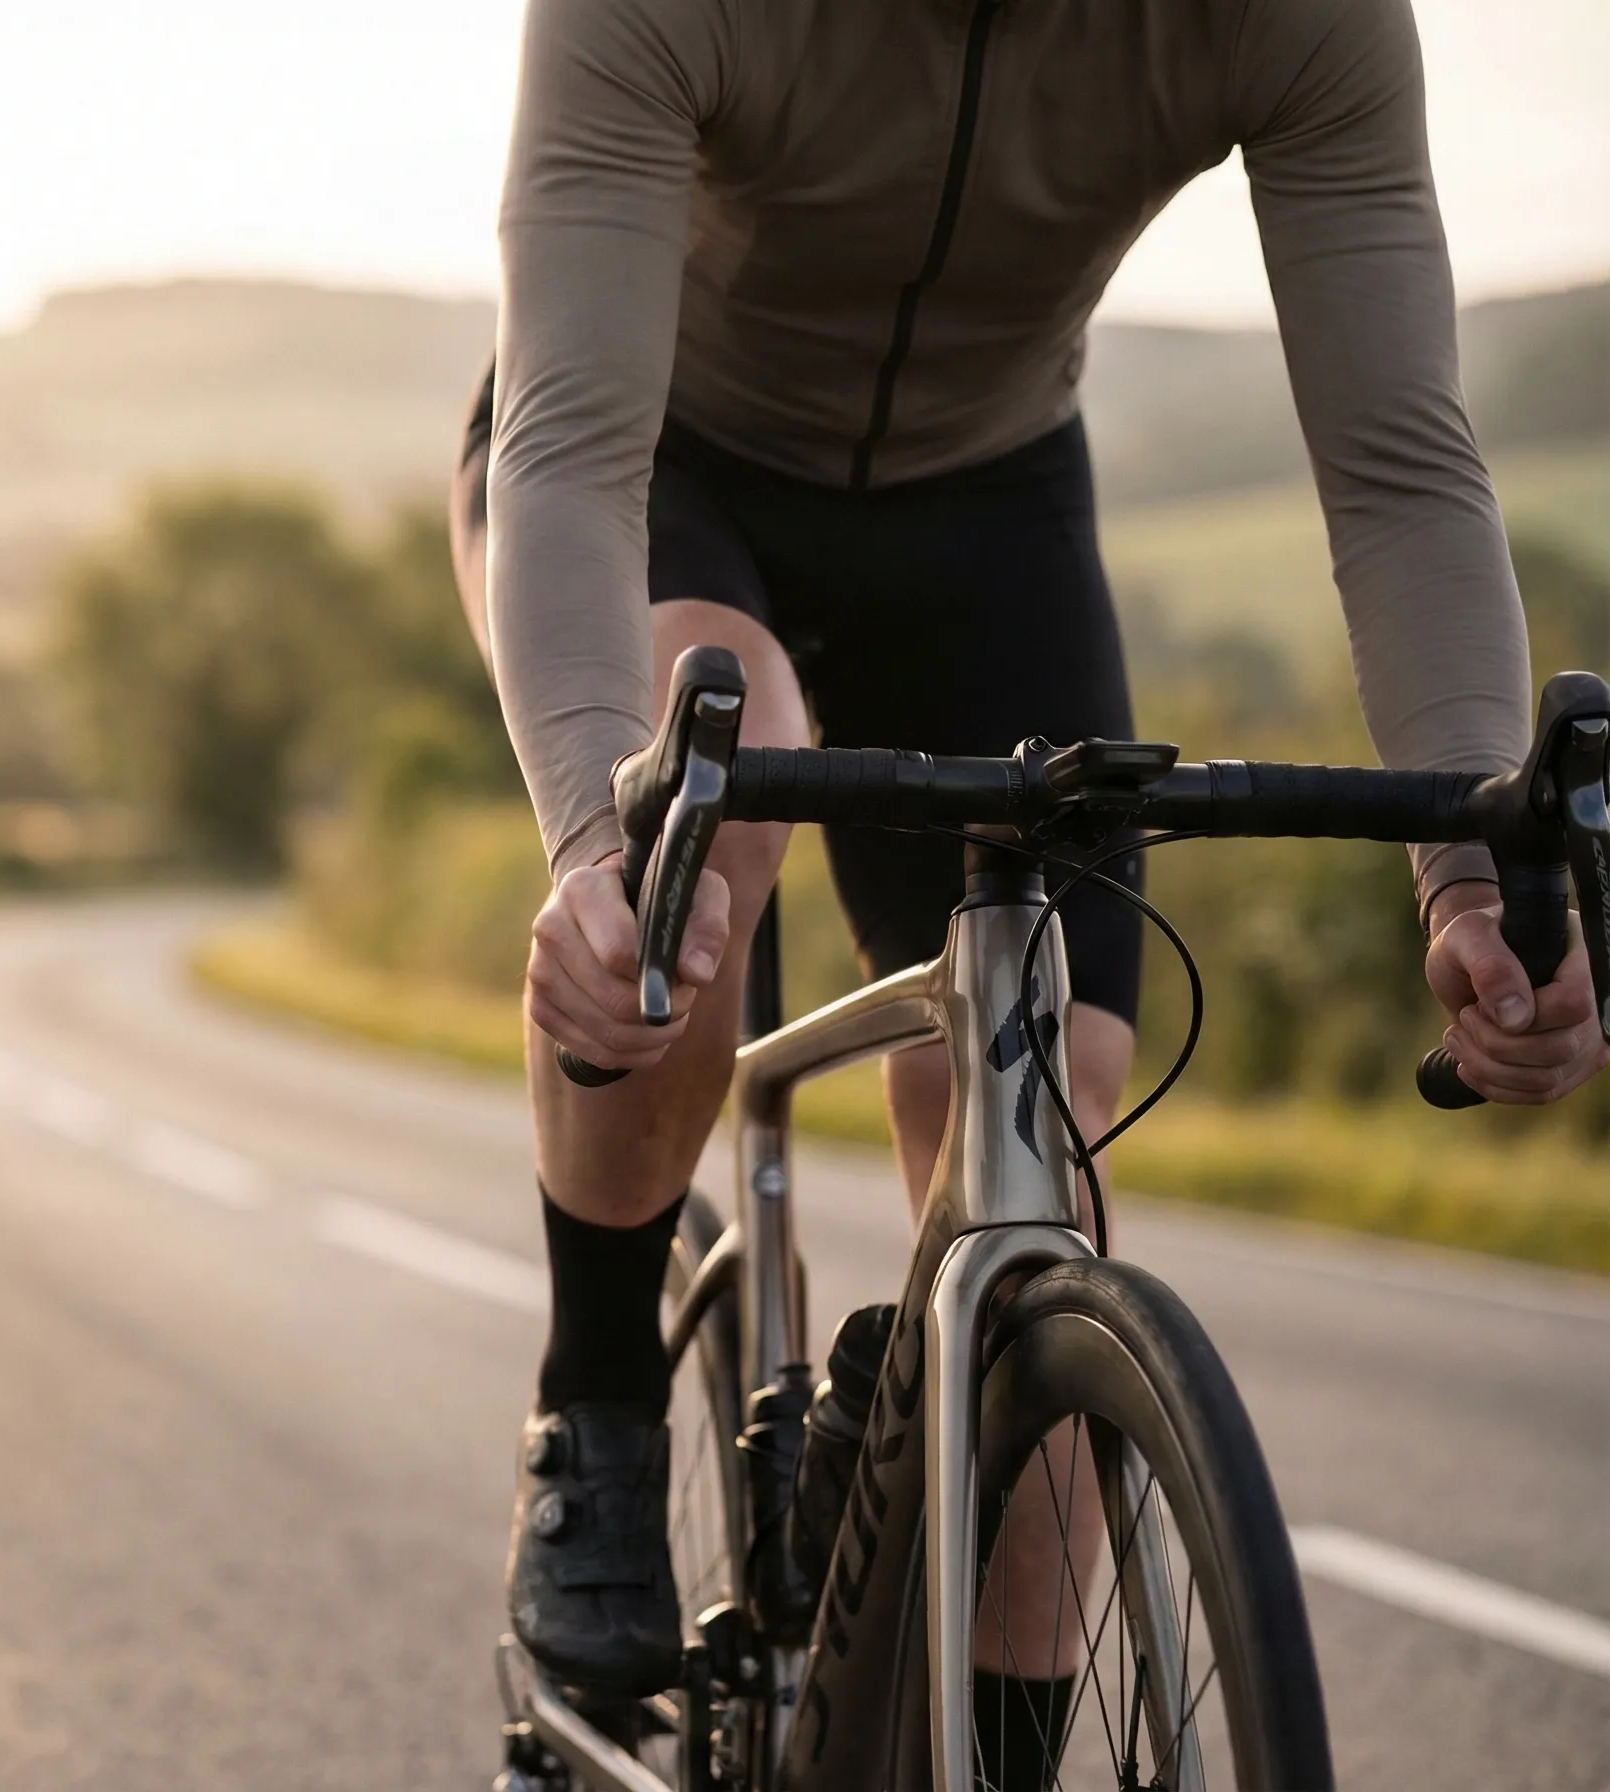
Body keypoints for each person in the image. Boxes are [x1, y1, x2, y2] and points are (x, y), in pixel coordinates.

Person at [449, 0, 1608, 1761]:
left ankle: (980, 1702)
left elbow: (1398, 473)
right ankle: (597, 1406)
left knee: (1043, 1100)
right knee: (701, 821)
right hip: (657, 454)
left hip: (987, 502)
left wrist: (1471, 878)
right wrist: (596, 851)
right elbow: (571, 456)